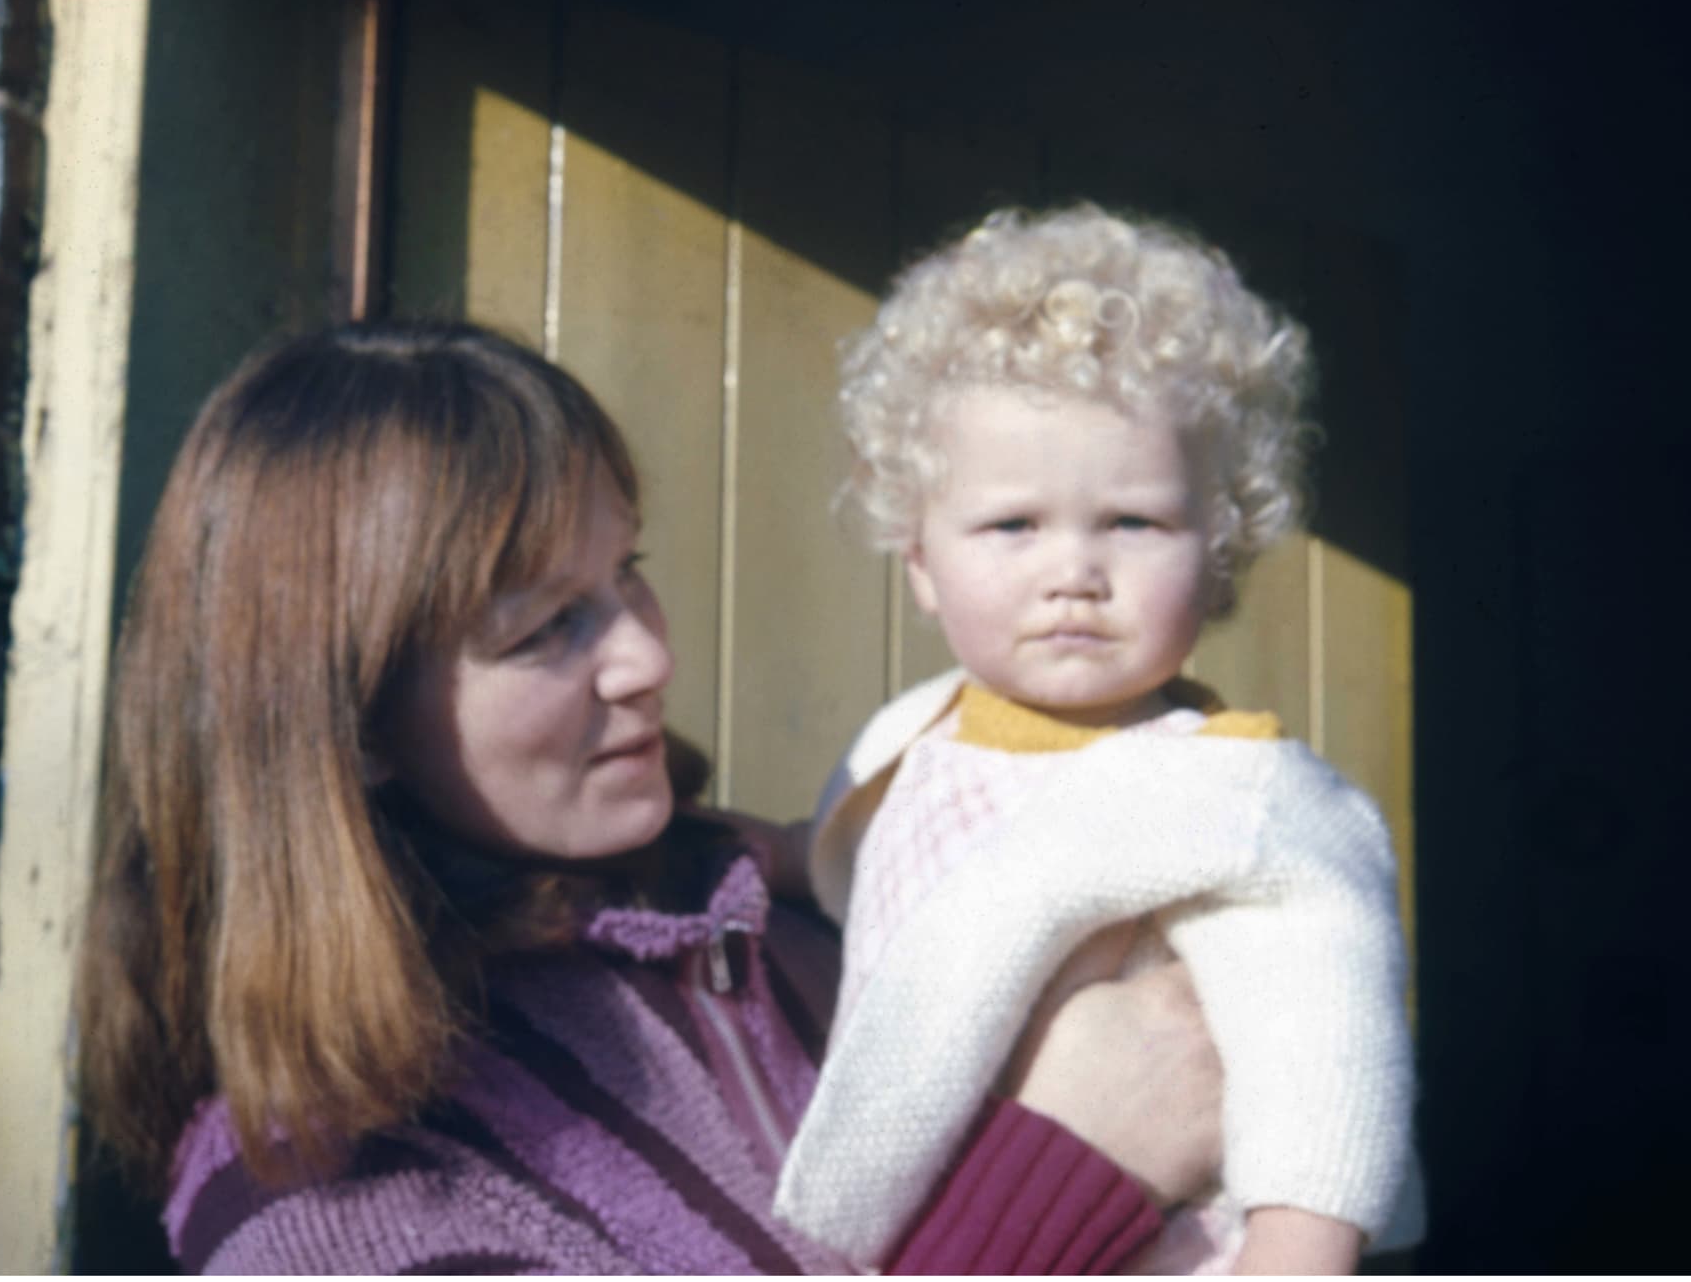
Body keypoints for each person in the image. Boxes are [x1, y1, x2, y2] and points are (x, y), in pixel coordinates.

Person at [74, 320, 1231, 1275]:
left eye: (627, 571)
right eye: (543, 626)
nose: (646, 657)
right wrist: (1067, 1172)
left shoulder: (806, 927)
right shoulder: (313, 1191)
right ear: (355, 722)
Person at [770, 206, 1418, 1273]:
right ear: (920, 560)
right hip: (946, 1229)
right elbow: (845, 842)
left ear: (1220, 549)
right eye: (1013, 525)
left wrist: (1295, 1252)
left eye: (1133, 522)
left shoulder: (1236, 800)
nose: (1073, 570)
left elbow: (1326, 1049)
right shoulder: (913, 731)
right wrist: (769, 850)